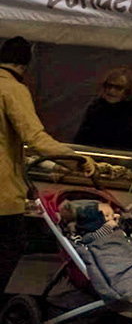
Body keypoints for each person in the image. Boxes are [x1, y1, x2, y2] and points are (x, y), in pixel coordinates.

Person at [2, 37, 91, 293]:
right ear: (24, 65)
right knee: (11, 246)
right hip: (2, 199)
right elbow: (35, 138)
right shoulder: (13, 90)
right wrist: (75, 159)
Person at [73, 67, 132, 152]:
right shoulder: (96, 107)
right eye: (109, 86)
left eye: (118, 88)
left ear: (128, 91)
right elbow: (81, 140)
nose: (111, 91)